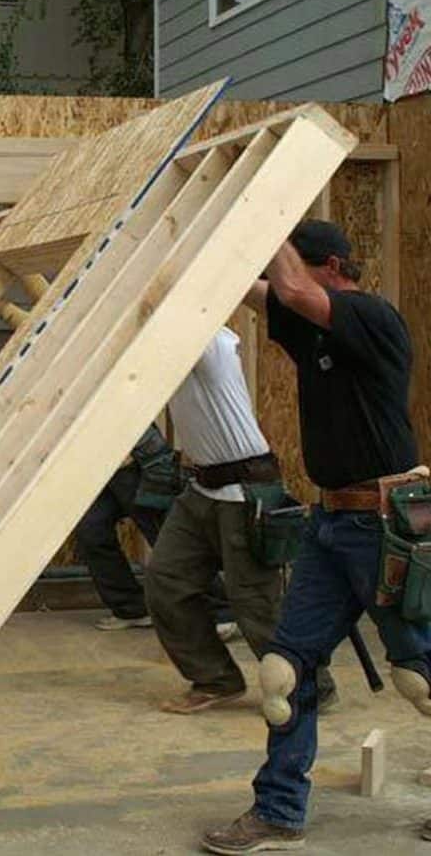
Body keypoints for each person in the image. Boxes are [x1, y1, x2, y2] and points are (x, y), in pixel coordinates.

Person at [202, 219, 431, 853]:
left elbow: (293, 290)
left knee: (421, 674)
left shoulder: (371, 316)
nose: (281, 287)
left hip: (385, 525)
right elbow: (268, 292)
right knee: (285, 670)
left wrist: (264, 214)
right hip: (331, 523)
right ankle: (278, 811)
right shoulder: (314, 332)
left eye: (291, 271)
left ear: (331, 267)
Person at [144, 324, 329, 714]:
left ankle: (308, 684)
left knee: (255, 602)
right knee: (165, 580)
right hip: (202, 487)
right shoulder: (161, 346)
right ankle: (215, 679)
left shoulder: (208, 339)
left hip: (244, 490)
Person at [77, 427, 236, 637]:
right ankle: (131, 608)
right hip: (101, 464)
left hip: (137, 462)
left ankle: (221, 611)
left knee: (166, 538)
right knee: (91, 532)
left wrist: (128, 449)